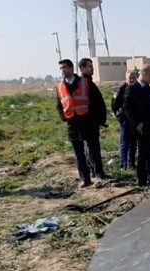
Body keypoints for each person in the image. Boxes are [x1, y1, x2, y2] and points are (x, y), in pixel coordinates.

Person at [56, 59, 99, 188]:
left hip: (86, 121)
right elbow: (59, 105)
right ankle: (84, 178)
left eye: (64, 67)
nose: (62, 71)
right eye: (61, 68)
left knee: (92, 149)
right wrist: (64, 117)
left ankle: (97, 172)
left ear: (71, 68)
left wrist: (94, 119)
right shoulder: (60, 87)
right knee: (78, 153)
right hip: (72, 124)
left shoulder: (85, 83)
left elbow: (95, 101)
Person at [123, 64, 150, 186]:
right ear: (144, 74)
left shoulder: (146, 87)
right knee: (143, 154)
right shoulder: (132, 88)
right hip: (141, 127)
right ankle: (142, 180)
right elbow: (127, 108)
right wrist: (137, 123)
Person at [78, 58, 109, 181]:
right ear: (82, 69)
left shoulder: (88, 83)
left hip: (93, 122)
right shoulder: (83, 84)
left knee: (93, 147)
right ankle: (97, 173)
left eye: (92, 66)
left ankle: (96, 171)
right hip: (88, 122)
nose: (92, 68)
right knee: (92, 148)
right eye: (89, 66)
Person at [112, 70, 138, 169]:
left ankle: (131, 162)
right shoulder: (120, 90)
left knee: (133, 143)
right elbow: (114, 105)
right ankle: (123, 164)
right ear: (126, 78)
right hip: (125, 121)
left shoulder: (137, 89)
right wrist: (120, 117)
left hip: (134, 120)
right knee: (124, 143)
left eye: (133, 78)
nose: (131, 80)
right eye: (130, 78)